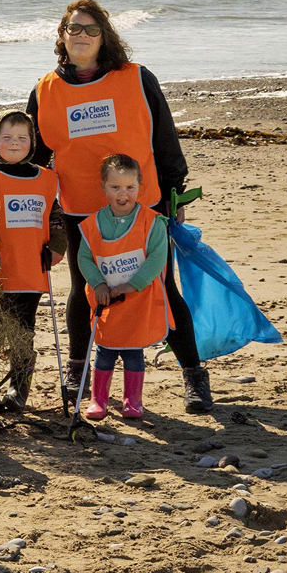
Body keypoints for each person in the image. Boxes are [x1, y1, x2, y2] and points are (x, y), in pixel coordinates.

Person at [26, 0, 210, 413]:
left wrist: (173, 191)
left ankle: (194, 375)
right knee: (85, 288)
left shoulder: (137, 79)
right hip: (82, 210)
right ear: (62, 35)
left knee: (161, 288)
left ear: (104, 36)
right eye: (75, 29)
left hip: (140, 205)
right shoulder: (45, 91)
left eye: (91, 29)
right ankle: (78, 369)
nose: (83, 36)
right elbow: (35, 160)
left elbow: (164, 138)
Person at [0, 111, 68, 410]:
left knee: (23, 333)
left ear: (32, 142)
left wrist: (57, 246)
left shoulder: (46, 178)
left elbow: (56, 218)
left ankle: (18, 392)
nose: (14, 143)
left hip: (29, 271)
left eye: (22, 138)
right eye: (6, 138)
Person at [76, 154, 172, 420]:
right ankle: (98, 400)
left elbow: (157, 257)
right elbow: (84, 257)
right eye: (116, 187)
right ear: (104, 188)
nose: (123, 194)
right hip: (106, 300)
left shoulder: (152, 222)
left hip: (137, 300)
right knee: (105, 350)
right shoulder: (93, 223)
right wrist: (98, 283)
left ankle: (133, 401)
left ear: (140, 186)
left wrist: (134, 284)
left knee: (133, 352)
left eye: (130, 187)